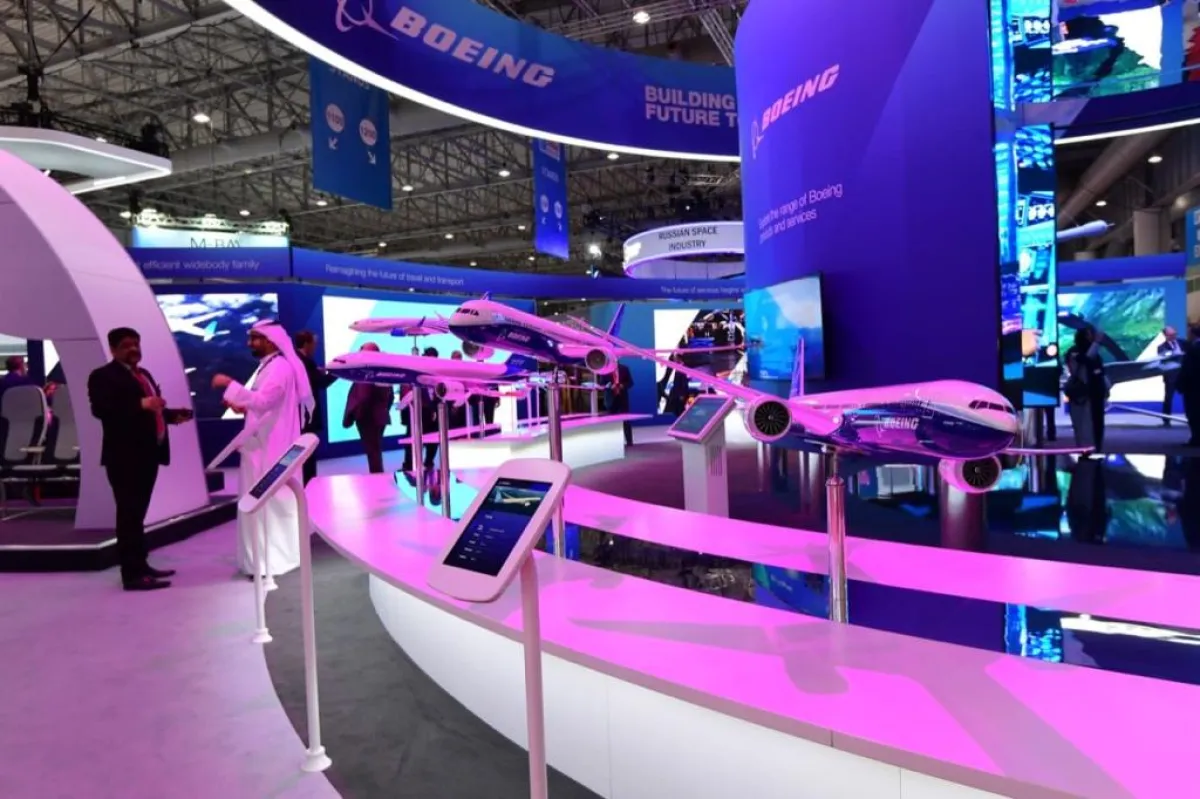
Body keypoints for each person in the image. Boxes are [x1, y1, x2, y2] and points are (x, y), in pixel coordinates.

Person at [87, 327, 194, 591]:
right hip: (124, 457)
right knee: (128, 515)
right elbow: (102, 410)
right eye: (126, 345)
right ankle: (131, 574)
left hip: (148, 454)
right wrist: (141, 405)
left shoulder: (143, 374)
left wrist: (171, 416)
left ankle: (141, 564)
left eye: (136, 343)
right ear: (113, 349)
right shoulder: (102, 376)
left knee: (137, 515)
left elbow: (151, 409)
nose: (133, 349)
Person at [212, 320, 313, 579]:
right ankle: (261, 561)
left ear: (270, 340)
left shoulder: (279, 367)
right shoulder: (269, 366)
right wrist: (242, 405)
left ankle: (270, 562)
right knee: (263, 503)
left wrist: (229, 384)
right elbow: (264, 405)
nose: (250, 343)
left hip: (270, 449)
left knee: (268, 502)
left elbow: (265, 400)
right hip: (262, 446)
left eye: (254, 338)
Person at [343, 342, 393, 474]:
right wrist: (383, 410)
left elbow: (363, 397)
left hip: (368, 418)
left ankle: (377, 479)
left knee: (373, 452)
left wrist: (358, 415)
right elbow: (391, 396)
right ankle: (378, 477)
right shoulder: (383, 371)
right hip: (380, 417)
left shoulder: (366, 372)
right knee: (375, 451)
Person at [293, 330, 336, 484]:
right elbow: (321, 383)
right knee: (308, 455)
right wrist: (338, 372)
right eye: (313, 344)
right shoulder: (305, 363)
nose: (315, 347)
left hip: (300, 416)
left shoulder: (297, 360)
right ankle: (309, 486)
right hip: (307, 417)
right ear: (306, 344)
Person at [1064, 326, 1109, 450]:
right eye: (1089, 335)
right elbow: (1086, 361)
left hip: (1096, 393)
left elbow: (1099, 371)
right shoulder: (1075, 352)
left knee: (1097, 423)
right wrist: (1096, 343)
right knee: (1083, 424)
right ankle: (1085, 449)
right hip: (1082, 394)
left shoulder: (1094, 353)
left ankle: (1096, 447)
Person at [1158, 326, 1185, 427]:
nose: (1173, 336)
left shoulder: (1183, 343)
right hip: (1171, 377)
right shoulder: (1161, 347)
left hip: (1185, 375)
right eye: (1171, 335)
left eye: (1174, 334)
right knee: (1168, 398)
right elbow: (1163, 360)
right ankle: (1166, 420)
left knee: (1191, 398)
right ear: (1165, 335)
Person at [604, 362, 634, 446]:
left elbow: (630, 382)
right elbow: (602, 383)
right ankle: (613, 442)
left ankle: (629, 441)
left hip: (622, 397)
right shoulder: (605, 370)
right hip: (611, 398)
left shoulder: (624, 368)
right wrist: (610, 386)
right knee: (611, 421)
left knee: (626, 420)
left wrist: (622, 385)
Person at [1179, 325, 1200, 446]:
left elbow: (1187, 370)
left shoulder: (1193, 349)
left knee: (1194, 413)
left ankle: (1196, 439)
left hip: (1193, 388)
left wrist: (1181, 385)